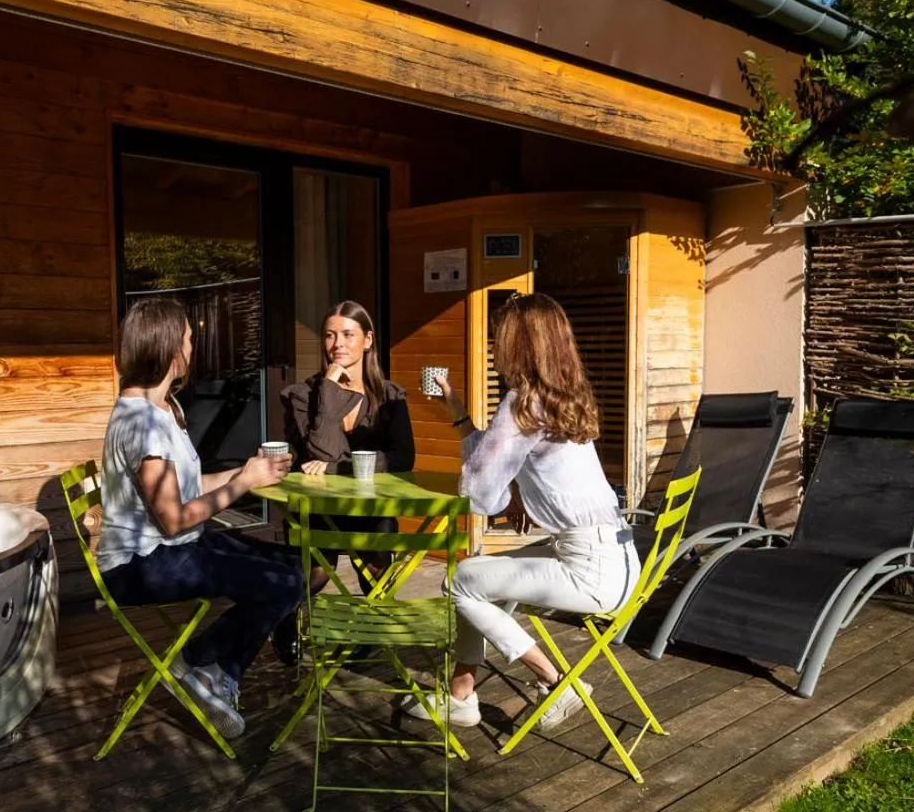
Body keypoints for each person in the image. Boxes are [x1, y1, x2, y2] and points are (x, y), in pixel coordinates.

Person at [404, 292, 639, 731]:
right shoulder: (563, 397)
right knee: (474, 574)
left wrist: (504, 492)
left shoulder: (521, 404)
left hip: (587, 569)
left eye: (500, 336)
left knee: (459, 581)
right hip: (618, 558)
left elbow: (479, 493)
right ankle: (460, 695)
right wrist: (458, 411)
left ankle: (556, 681)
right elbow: (504, 463)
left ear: (519, 344)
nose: (495, 345)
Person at [95, 298, 305, 741]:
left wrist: (248, 471)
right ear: (171, 348)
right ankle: (197, 662)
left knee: (296, 565)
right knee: (285, 583)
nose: (193, 346)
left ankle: (214, 672)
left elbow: (189, 487)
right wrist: (242, 485)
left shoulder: (162, 409)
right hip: (143, 565)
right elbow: (173, 518)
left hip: (173, 549)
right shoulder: (143, 425)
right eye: (189, 339)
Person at [281, 300, 416, 598]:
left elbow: (404, 458)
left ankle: (374, 626)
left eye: (347, 334)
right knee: (315, 574)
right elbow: (323, 452)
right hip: (318, 508)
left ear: (368, 340)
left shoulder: (389, 396)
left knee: (377, 572)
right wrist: (328, 388)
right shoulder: (303, 396)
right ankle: (288, 621)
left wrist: (336, 468)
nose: (337, 343)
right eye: (330, 335)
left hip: (371, 509)